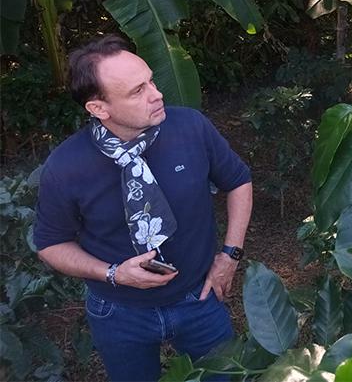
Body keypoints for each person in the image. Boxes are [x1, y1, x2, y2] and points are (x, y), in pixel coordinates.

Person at [33, 35, 253, 382]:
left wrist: (230, 255)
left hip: (198, 298)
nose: (157, 94)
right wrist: (112, 273)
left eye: (151, 80)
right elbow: (50, 244)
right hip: (118, 312)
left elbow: (239, 180)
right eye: (137, 91)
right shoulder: (66, 167)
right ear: (98, 109)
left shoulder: (190, 127)